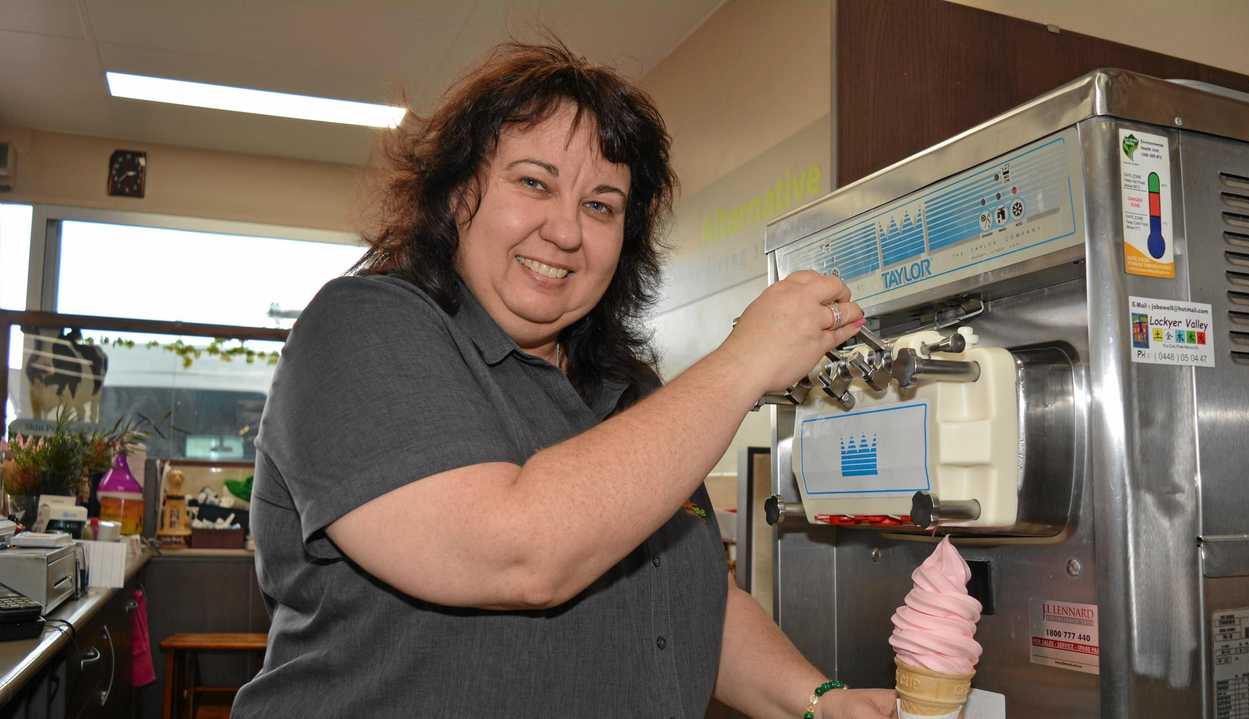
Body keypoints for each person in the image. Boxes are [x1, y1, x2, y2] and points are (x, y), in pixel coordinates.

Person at [231, 41, 895, 719]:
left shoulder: (627, 389)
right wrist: (744, 361)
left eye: (601, 206)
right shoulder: (361, 330)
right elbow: (519, 553)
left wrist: (819, 702)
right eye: (534, 183)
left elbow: (691, 602)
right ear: (458, 191)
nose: (566, 231)